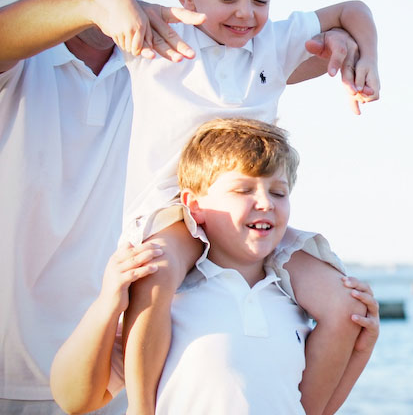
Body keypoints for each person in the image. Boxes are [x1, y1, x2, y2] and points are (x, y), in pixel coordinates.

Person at [0, 0, 363, 413]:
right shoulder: (54, 57)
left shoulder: (189, 49)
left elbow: (310, 35)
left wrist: (351, 48)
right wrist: (107, 1)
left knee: (346, 305)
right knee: (154, 276)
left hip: (121, 351)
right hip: (25, 356)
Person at [50, 117, 380, 414]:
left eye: (278, 193)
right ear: (195, 207)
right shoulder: (170, 300)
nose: (265, 202)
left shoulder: (292, 305)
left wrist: (362, 349)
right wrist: (107, 305)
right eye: (243, 190)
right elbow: (73, 398)